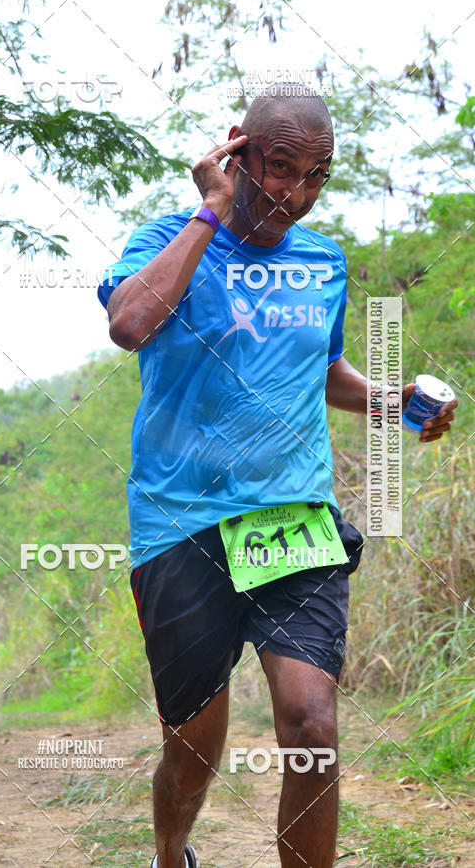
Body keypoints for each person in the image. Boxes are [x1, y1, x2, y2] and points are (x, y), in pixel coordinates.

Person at [98, 83, 458, 868]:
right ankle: (171, 853)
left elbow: (323, 371)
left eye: (317, 174)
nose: (295, 194)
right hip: (179, 523)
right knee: (194, 745)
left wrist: (391, 402)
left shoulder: (322, 260)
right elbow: (130, 324)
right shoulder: (168, 237)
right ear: (237, 149)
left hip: (290, 520)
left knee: (312, 724)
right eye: (279, 167)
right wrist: (211, 211)